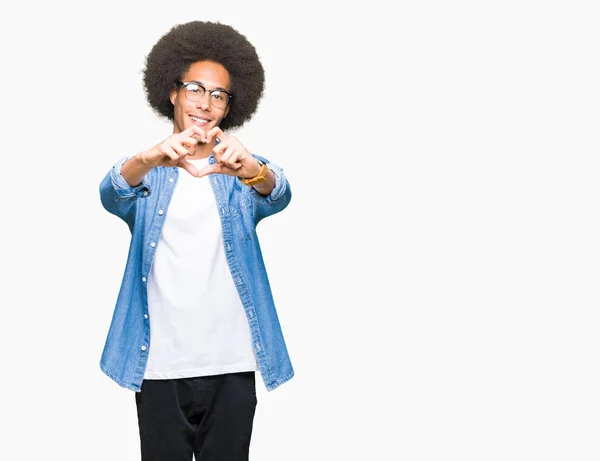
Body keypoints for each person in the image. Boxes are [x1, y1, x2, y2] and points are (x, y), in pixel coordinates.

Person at [98, 20, 294, 461]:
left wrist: (252, 170)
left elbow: (279, 194)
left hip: (232, 366)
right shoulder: (147, 175)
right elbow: (112, 193)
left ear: (229, 107)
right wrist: (151, 155)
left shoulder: (241, 172)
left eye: (218, 94)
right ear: (172, 92)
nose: (205, 103)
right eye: (195, 89)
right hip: (159, 365)